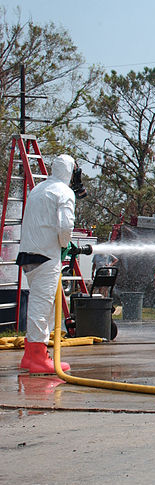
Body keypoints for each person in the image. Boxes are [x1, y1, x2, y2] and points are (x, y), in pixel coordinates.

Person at [16, 155, 76, 374]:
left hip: (29, 254)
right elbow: (65, 225)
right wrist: (64, 244)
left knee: (45, 305)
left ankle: (30, 354)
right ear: (70, 171)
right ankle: (37, 357)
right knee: (42, 306)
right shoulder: (64, 192)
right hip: (47, 255)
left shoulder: (39, 189)